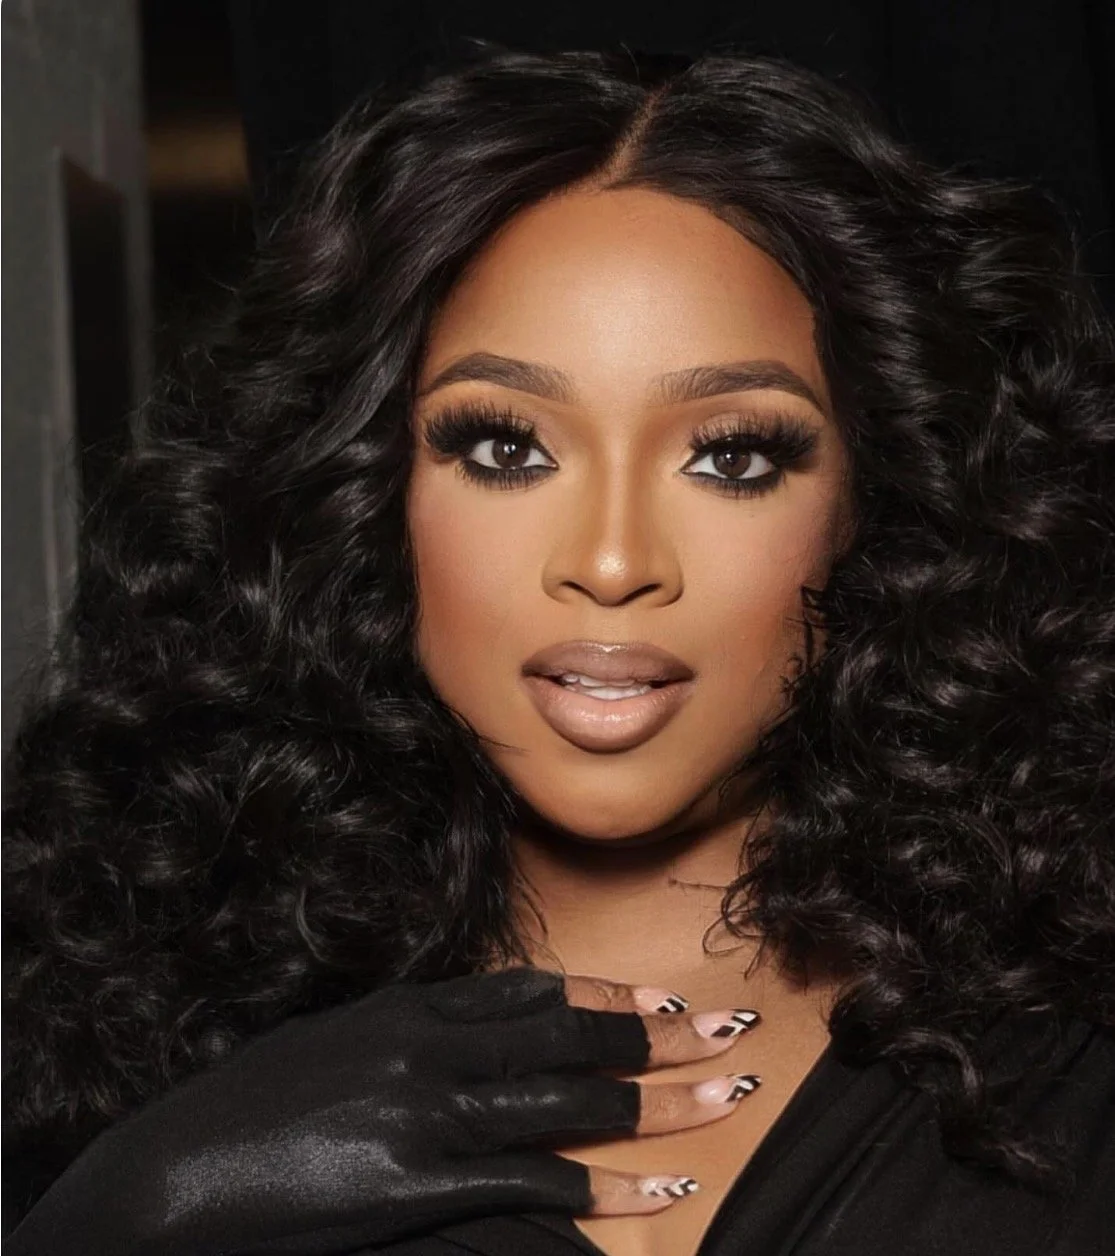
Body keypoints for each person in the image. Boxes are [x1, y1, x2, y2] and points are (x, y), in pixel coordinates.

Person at [4, 44, 1113, 1256]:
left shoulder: (1073, 1055)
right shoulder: (145, 1028)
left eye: (732, 455)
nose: (610, 556)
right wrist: (123, 1207)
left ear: (874, 503)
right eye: (504, 448)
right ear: (368, 490)